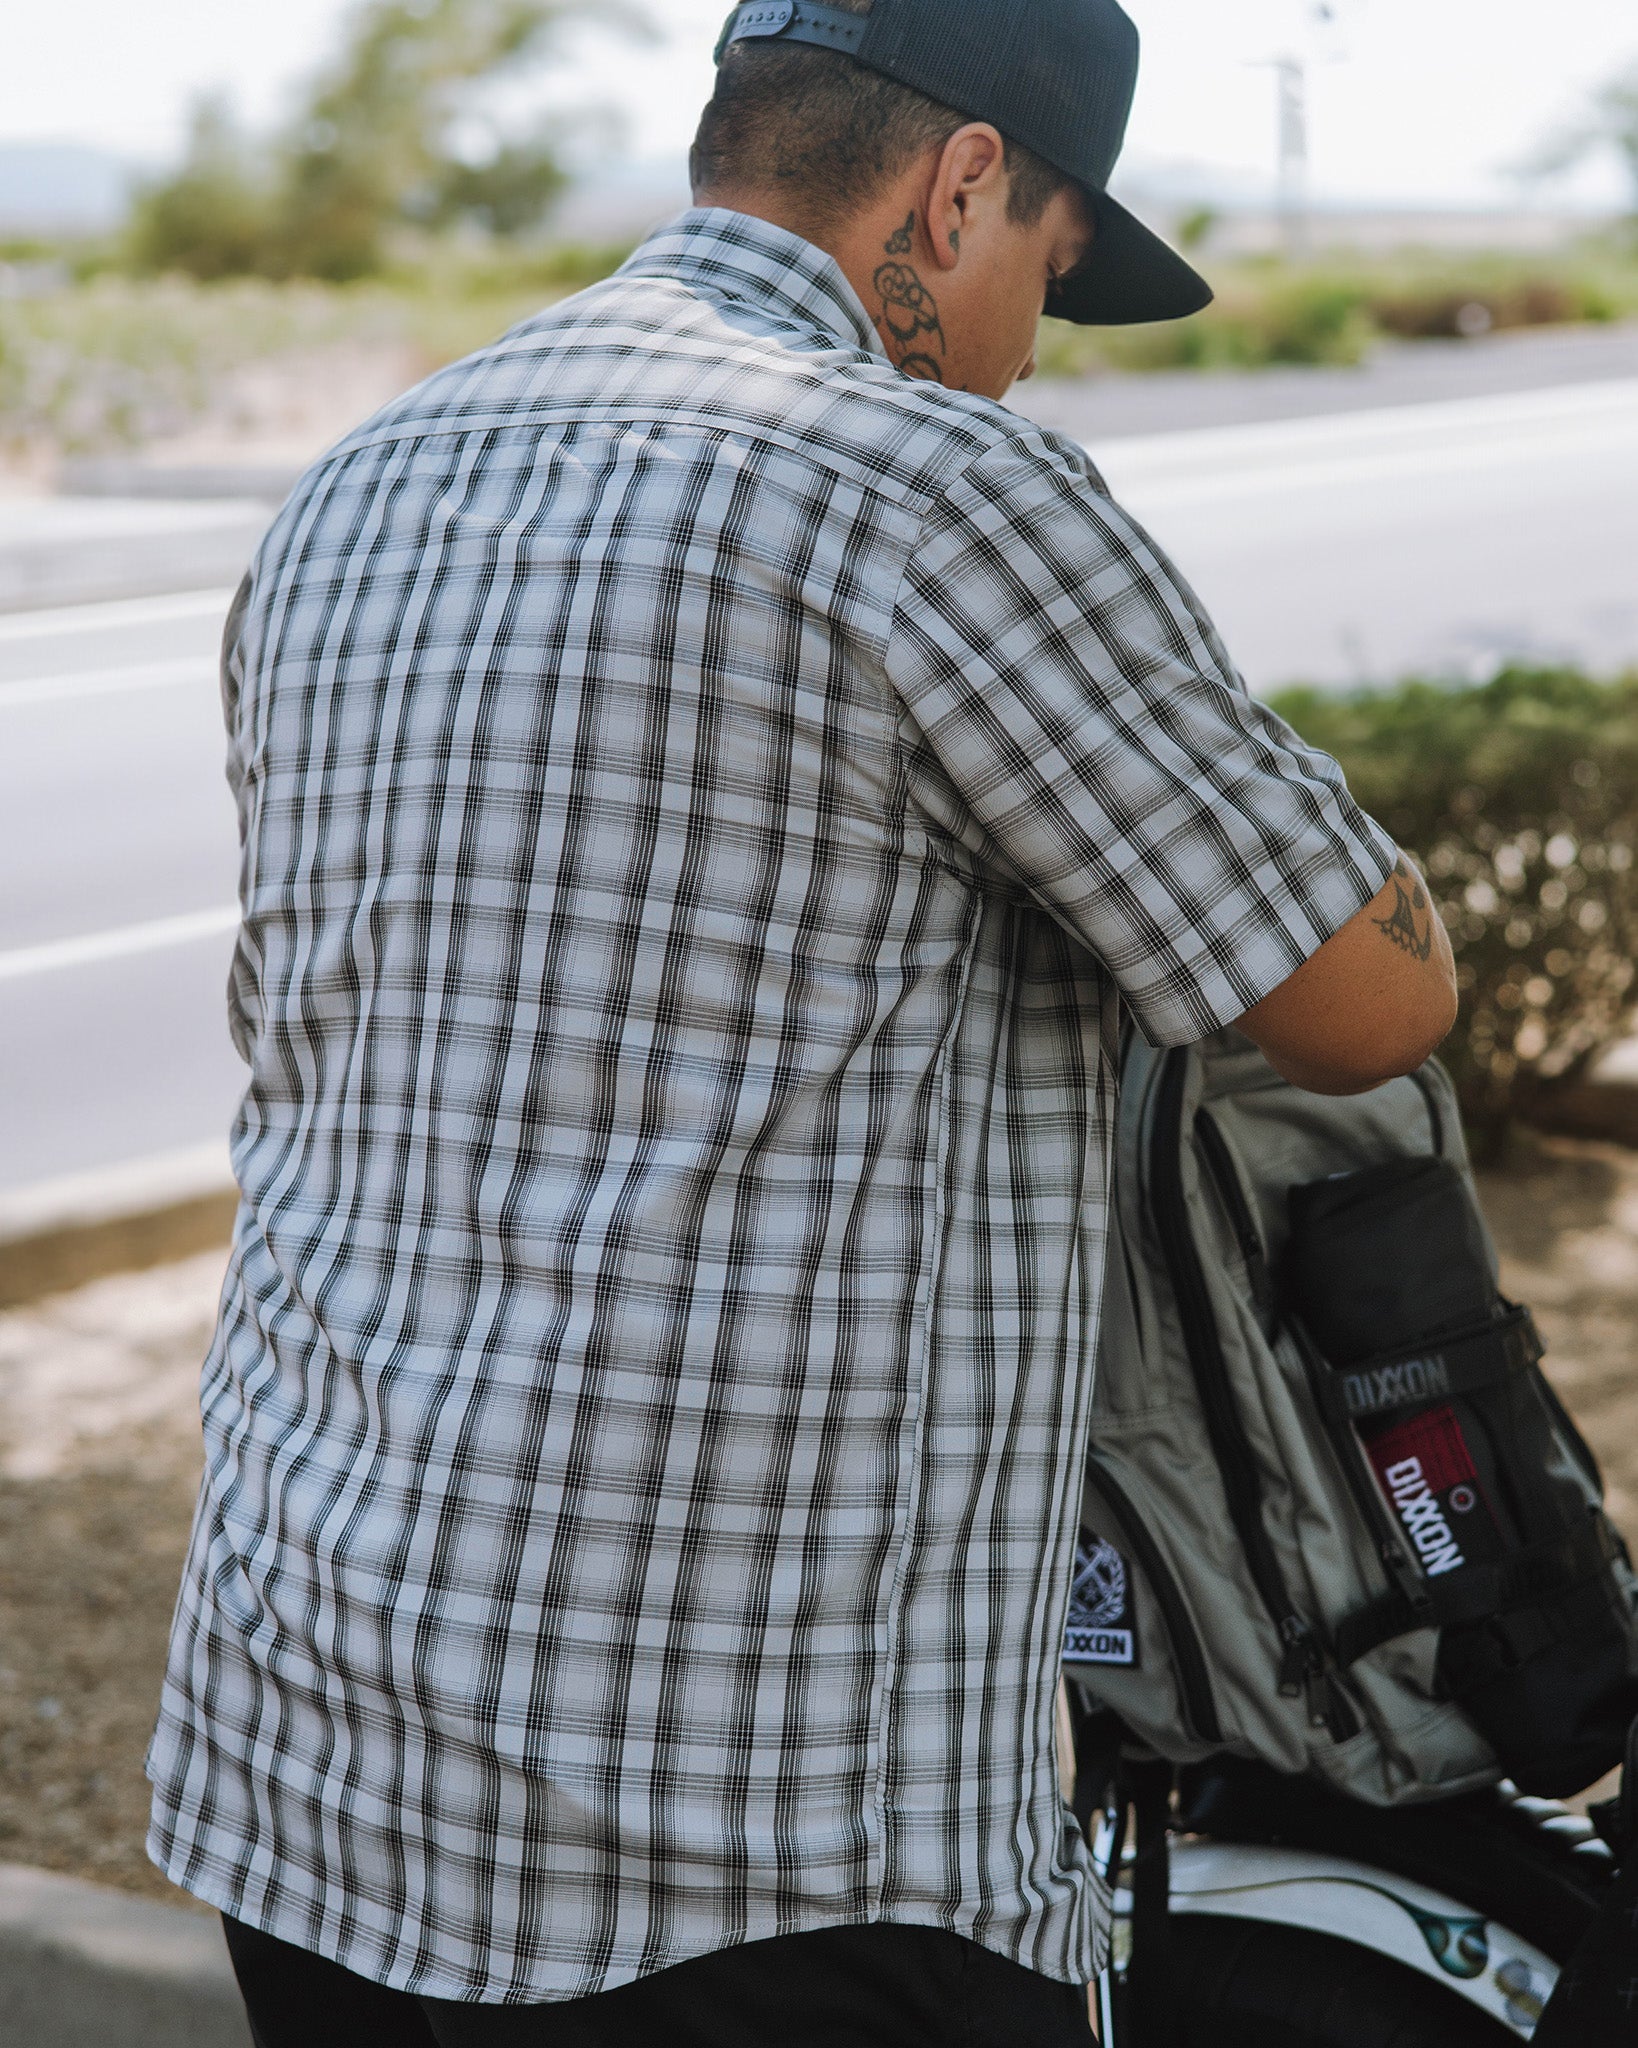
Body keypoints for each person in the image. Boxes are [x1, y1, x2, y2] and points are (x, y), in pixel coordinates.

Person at [146, 1, 1457, 2042]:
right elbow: (1369, 1000)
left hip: (307, 1756)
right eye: (1049, 262)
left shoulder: (360, 480)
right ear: (955, 188)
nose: (1031, 338)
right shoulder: (932, 487)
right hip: (737, 1855)